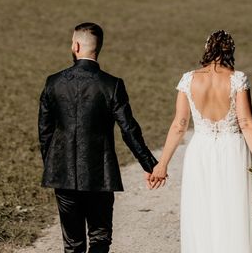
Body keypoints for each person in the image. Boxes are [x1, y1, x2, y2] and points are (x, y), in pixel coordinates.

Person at [38, 22, 160, 253]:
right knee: (100, 238)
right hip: (100, 173)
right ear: (98, 48)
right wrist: (150, 164)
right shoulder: (112, 85)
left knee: (72, 244)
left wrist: (53, 165)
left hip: (62, 173)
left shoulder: (53, 82)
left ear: (75, 45)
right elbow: (129, 129)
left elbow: (45, 131)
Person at [149, 30, 252, 253]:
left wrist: (162, 164)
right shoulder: (237, 79)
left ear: (207, 50)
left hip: (200, 150)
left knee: (202, 210)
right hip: (233, 149)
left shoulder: (188, 79)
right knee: (234, 211)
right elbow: (246, 123)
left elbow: (179, 124)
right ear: (230, 51)